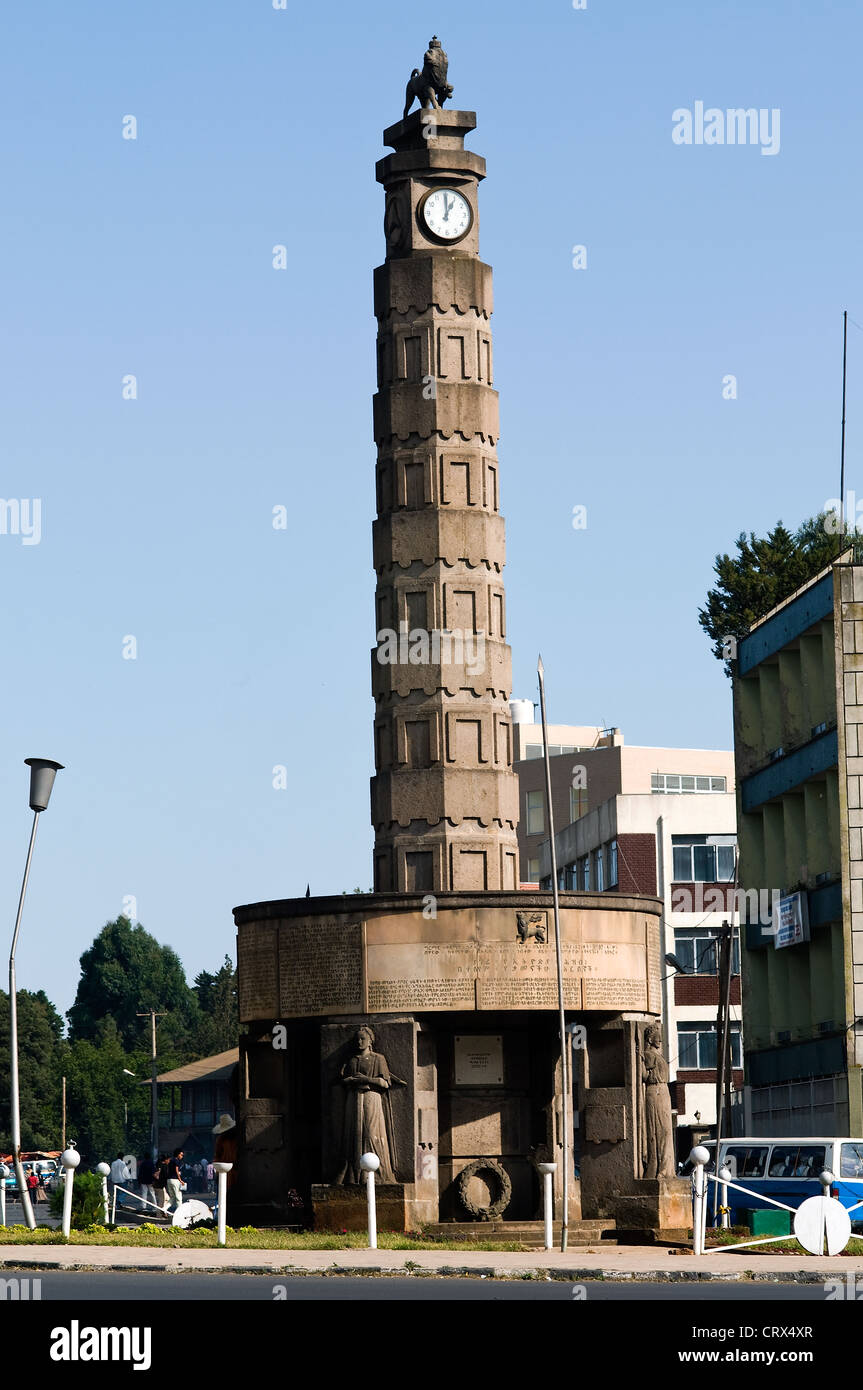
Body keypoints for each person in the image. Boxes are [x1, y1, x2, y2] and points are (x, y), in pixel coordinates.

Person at [212, 1114, 238, 1220]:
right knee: (223, 1196)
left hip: (235, 1170)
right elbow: (217, 1156)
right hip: (224, 1171)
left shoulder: (237, 1138)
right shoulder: (221, 1140)